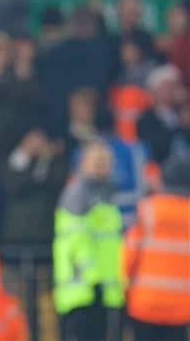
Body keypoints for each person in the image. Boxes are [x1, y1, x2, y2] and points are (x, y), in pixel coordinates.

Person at [53, 142, 125, 341]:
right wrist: (93, 277)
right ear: (84, 163)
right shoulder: (78, 193)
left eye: (107, 162)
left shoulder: (107, 193)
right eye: (99, 161)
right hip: (82, 288)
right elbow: (75, 239)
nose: (104, 166)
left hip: (102, 288)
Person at [123, 157, 190, 341]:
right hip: (182, 309)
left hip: (145, 304)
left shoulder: (148, 210)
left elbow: (129, 256)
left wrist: (124, 291)